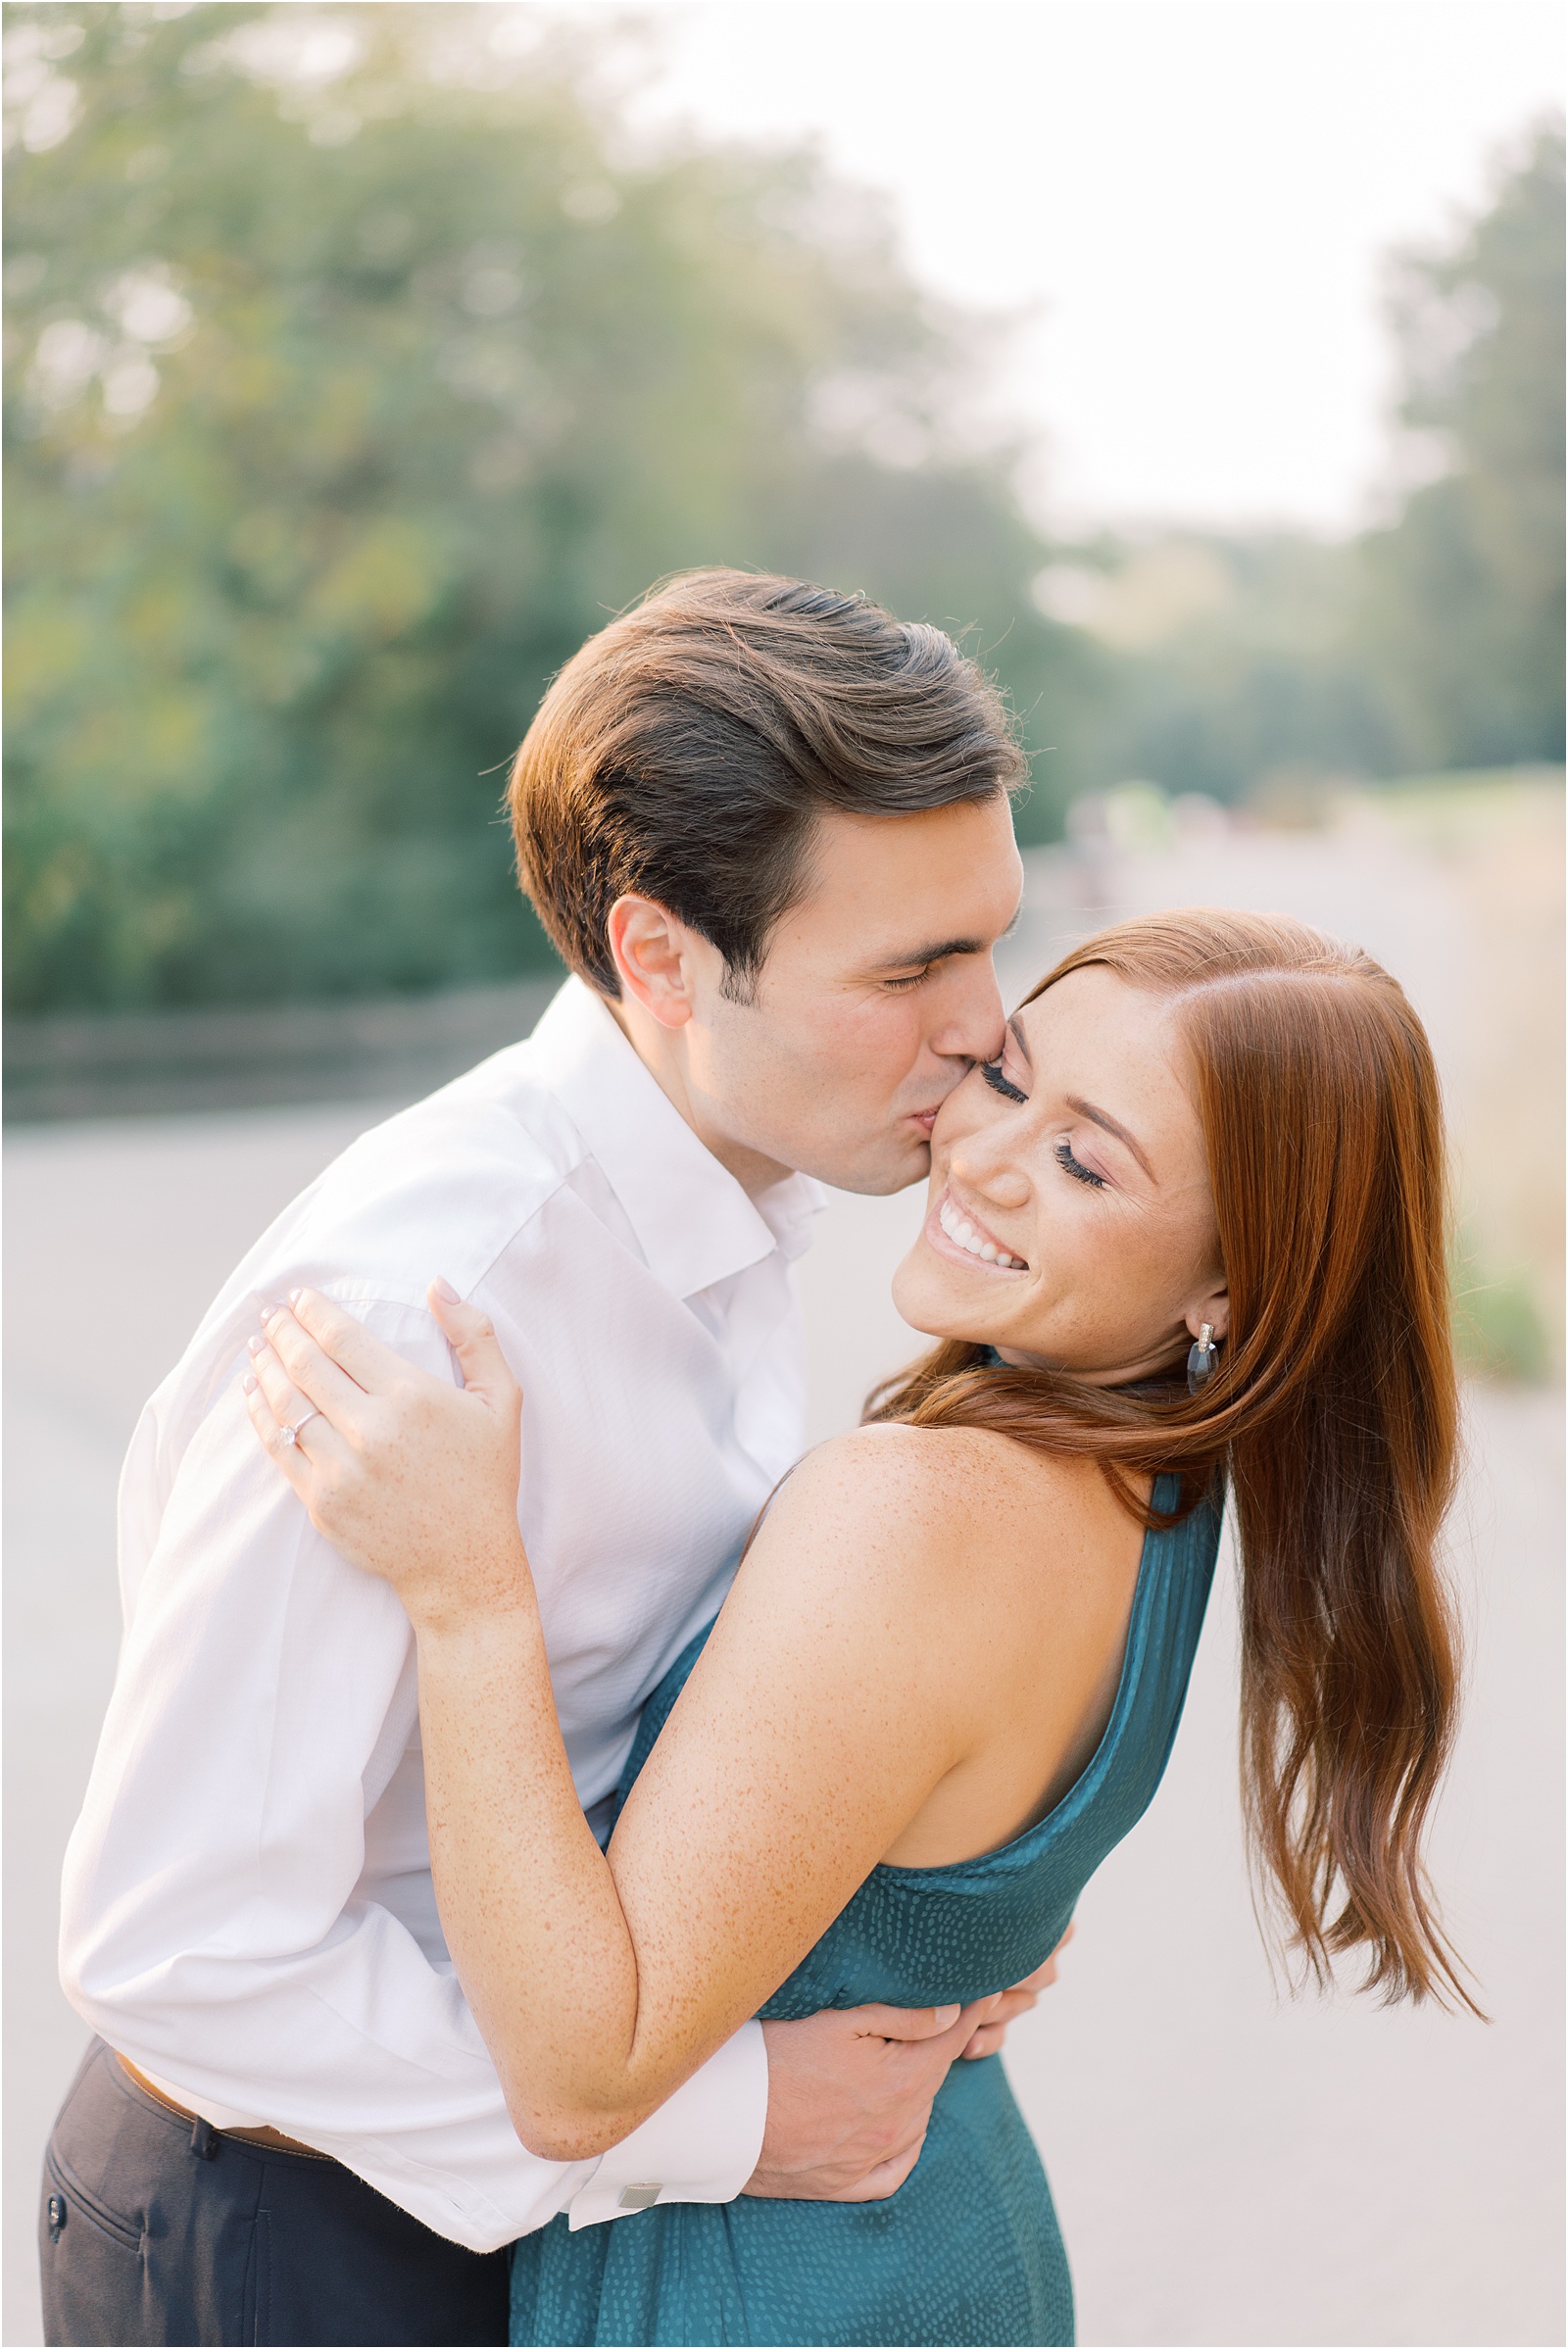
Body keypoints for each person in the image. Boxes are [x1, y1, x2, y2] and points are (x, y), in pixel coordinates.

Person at [45, 572, 1057, 2348]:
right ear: (659, 957)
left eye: (988, 937)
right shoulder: (420, 1308)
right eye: (909, 966)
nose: (986, 1022)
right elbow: (178, 1945)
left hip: (518, 2176)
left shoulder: (756, 1171)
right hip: (288, 2233)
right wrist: (730, 2121)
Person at [244, 905, 1473, 2349]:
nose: (986, 1158)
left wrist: (467, 1595)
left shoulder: (919, 1511)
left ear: (1229, 1285)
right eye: (1008, 1078)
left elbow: (581, 2078)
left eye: (1085, 1159)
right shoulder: (1162, 1490)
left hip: (782, 2290)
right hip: (937, 2245)